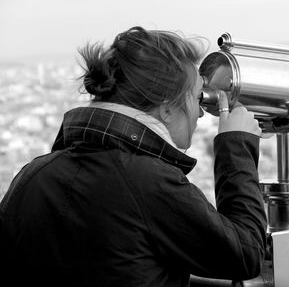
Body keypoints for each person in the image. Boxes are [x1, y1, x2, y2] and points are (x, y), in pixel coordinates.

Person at [0, 26, 267, 286]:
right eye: (197, 97)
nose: (199, 113)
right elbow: (246, 254)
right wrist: (236, 146)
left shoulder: (32, 175)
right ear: (167, 109)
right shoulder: (150, 183)